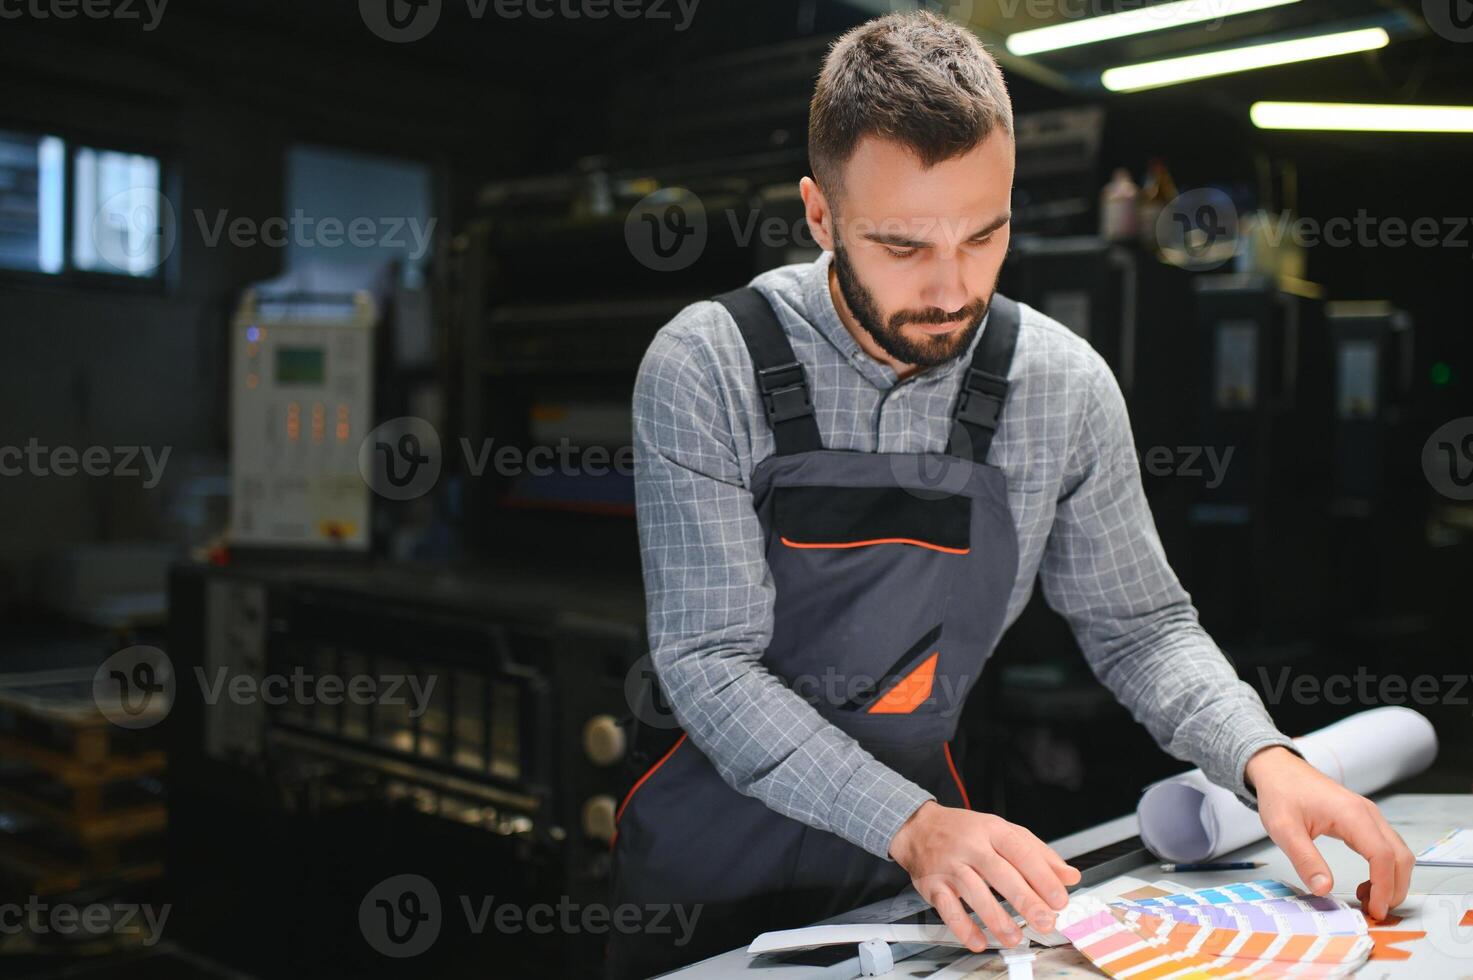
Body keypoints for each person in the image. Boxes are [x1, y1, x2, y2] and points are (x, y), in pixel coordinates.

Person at [608, 11, 1414, 978]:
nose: (952, 290)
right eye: (903, 246)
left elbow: (1141, 627)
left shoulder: (1058, 386)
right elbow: (711, 663)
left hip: (922, 861)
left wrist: (1263, 758)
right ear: (820, 217)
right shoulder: (708, 364)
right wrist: (908, 824)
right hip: (712, 857)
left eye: (983, 236)